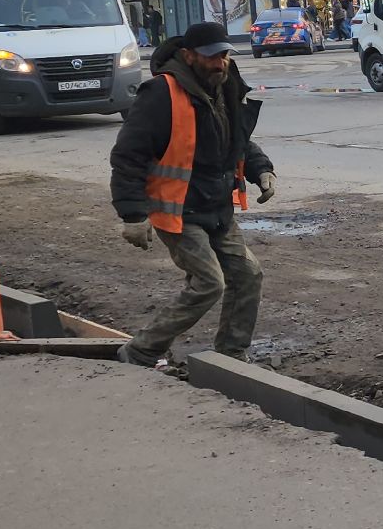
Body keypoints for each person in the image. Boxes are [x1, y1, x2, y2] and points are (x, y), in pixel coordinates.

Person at [110, 21, 278, 377]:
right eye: (211, 57)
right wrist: (132, 215)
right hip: (178, 211)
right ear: (188, 56)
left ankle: (232, 356)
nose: (220, 63)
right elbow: (128, 155)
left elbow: (236, 138)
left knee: (248, 275)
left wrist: (261, 168)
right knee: (209, 283)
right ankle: (141, 351)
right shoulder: (160, 93)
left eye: (224, 55)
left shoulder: (226, 86)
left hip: (216, 208)